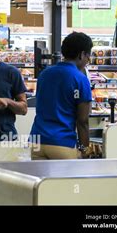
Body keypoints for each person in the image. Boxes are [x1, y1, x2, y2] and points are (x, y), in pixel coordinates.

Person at [30, 32, 93, 160]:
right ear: (82, 55)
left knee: (42, 180)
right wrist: (85, 149)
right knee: (68, 181)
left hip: (37, 141)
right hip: (62, 144)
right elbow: (82, 121)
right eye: (88, 56)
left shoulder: (44, 74)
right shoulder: (80, 79)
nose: (88, 60)